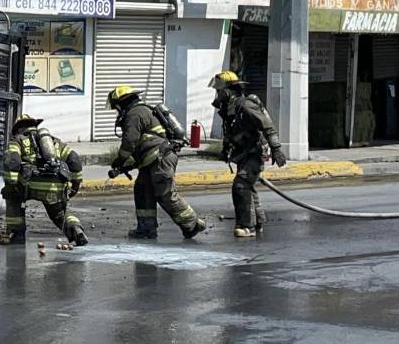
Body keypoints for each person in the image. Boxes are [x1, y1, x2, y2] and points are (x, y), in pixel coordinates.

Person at [106, 86, 206, 240]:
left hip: (160, 159)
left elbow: (129, 143)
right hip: (153, 160)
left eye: (116, 108)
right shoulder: (141, 111)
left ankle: (192, 223)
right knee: (143, 190)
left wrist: (119, 160)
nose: (117, 112)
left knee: (165, 194)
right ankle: (146, 229)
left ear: (121, 103)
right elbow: (142, 145)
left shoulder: (135, 113)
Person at [208, 70, 287, 238]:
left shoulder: (245, 105)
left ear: (228, 91)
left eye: (219, 91)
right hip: (243, 153)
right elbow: (229, 131)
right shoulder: (228, 109)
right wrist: (225, 148)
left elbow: (267, 126)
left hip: (255, 151)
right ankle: (258, 224)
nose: (217, 95)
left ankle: (246, 226)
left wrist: (276, 149)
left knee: (241, 185)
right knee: (248, 186)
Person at [2, 114, 88, 246]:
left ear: (18, 128)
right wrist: (76, 184)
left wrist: (11, 185)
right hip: (55, 186)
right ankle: (75, 228)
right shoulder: (55, 142)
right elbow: (74, 159)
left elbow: (12, 161)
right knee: (59, 214)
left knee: (13, 199)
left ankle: (16, 233)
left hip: (28, 185)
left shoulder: (17, 140)